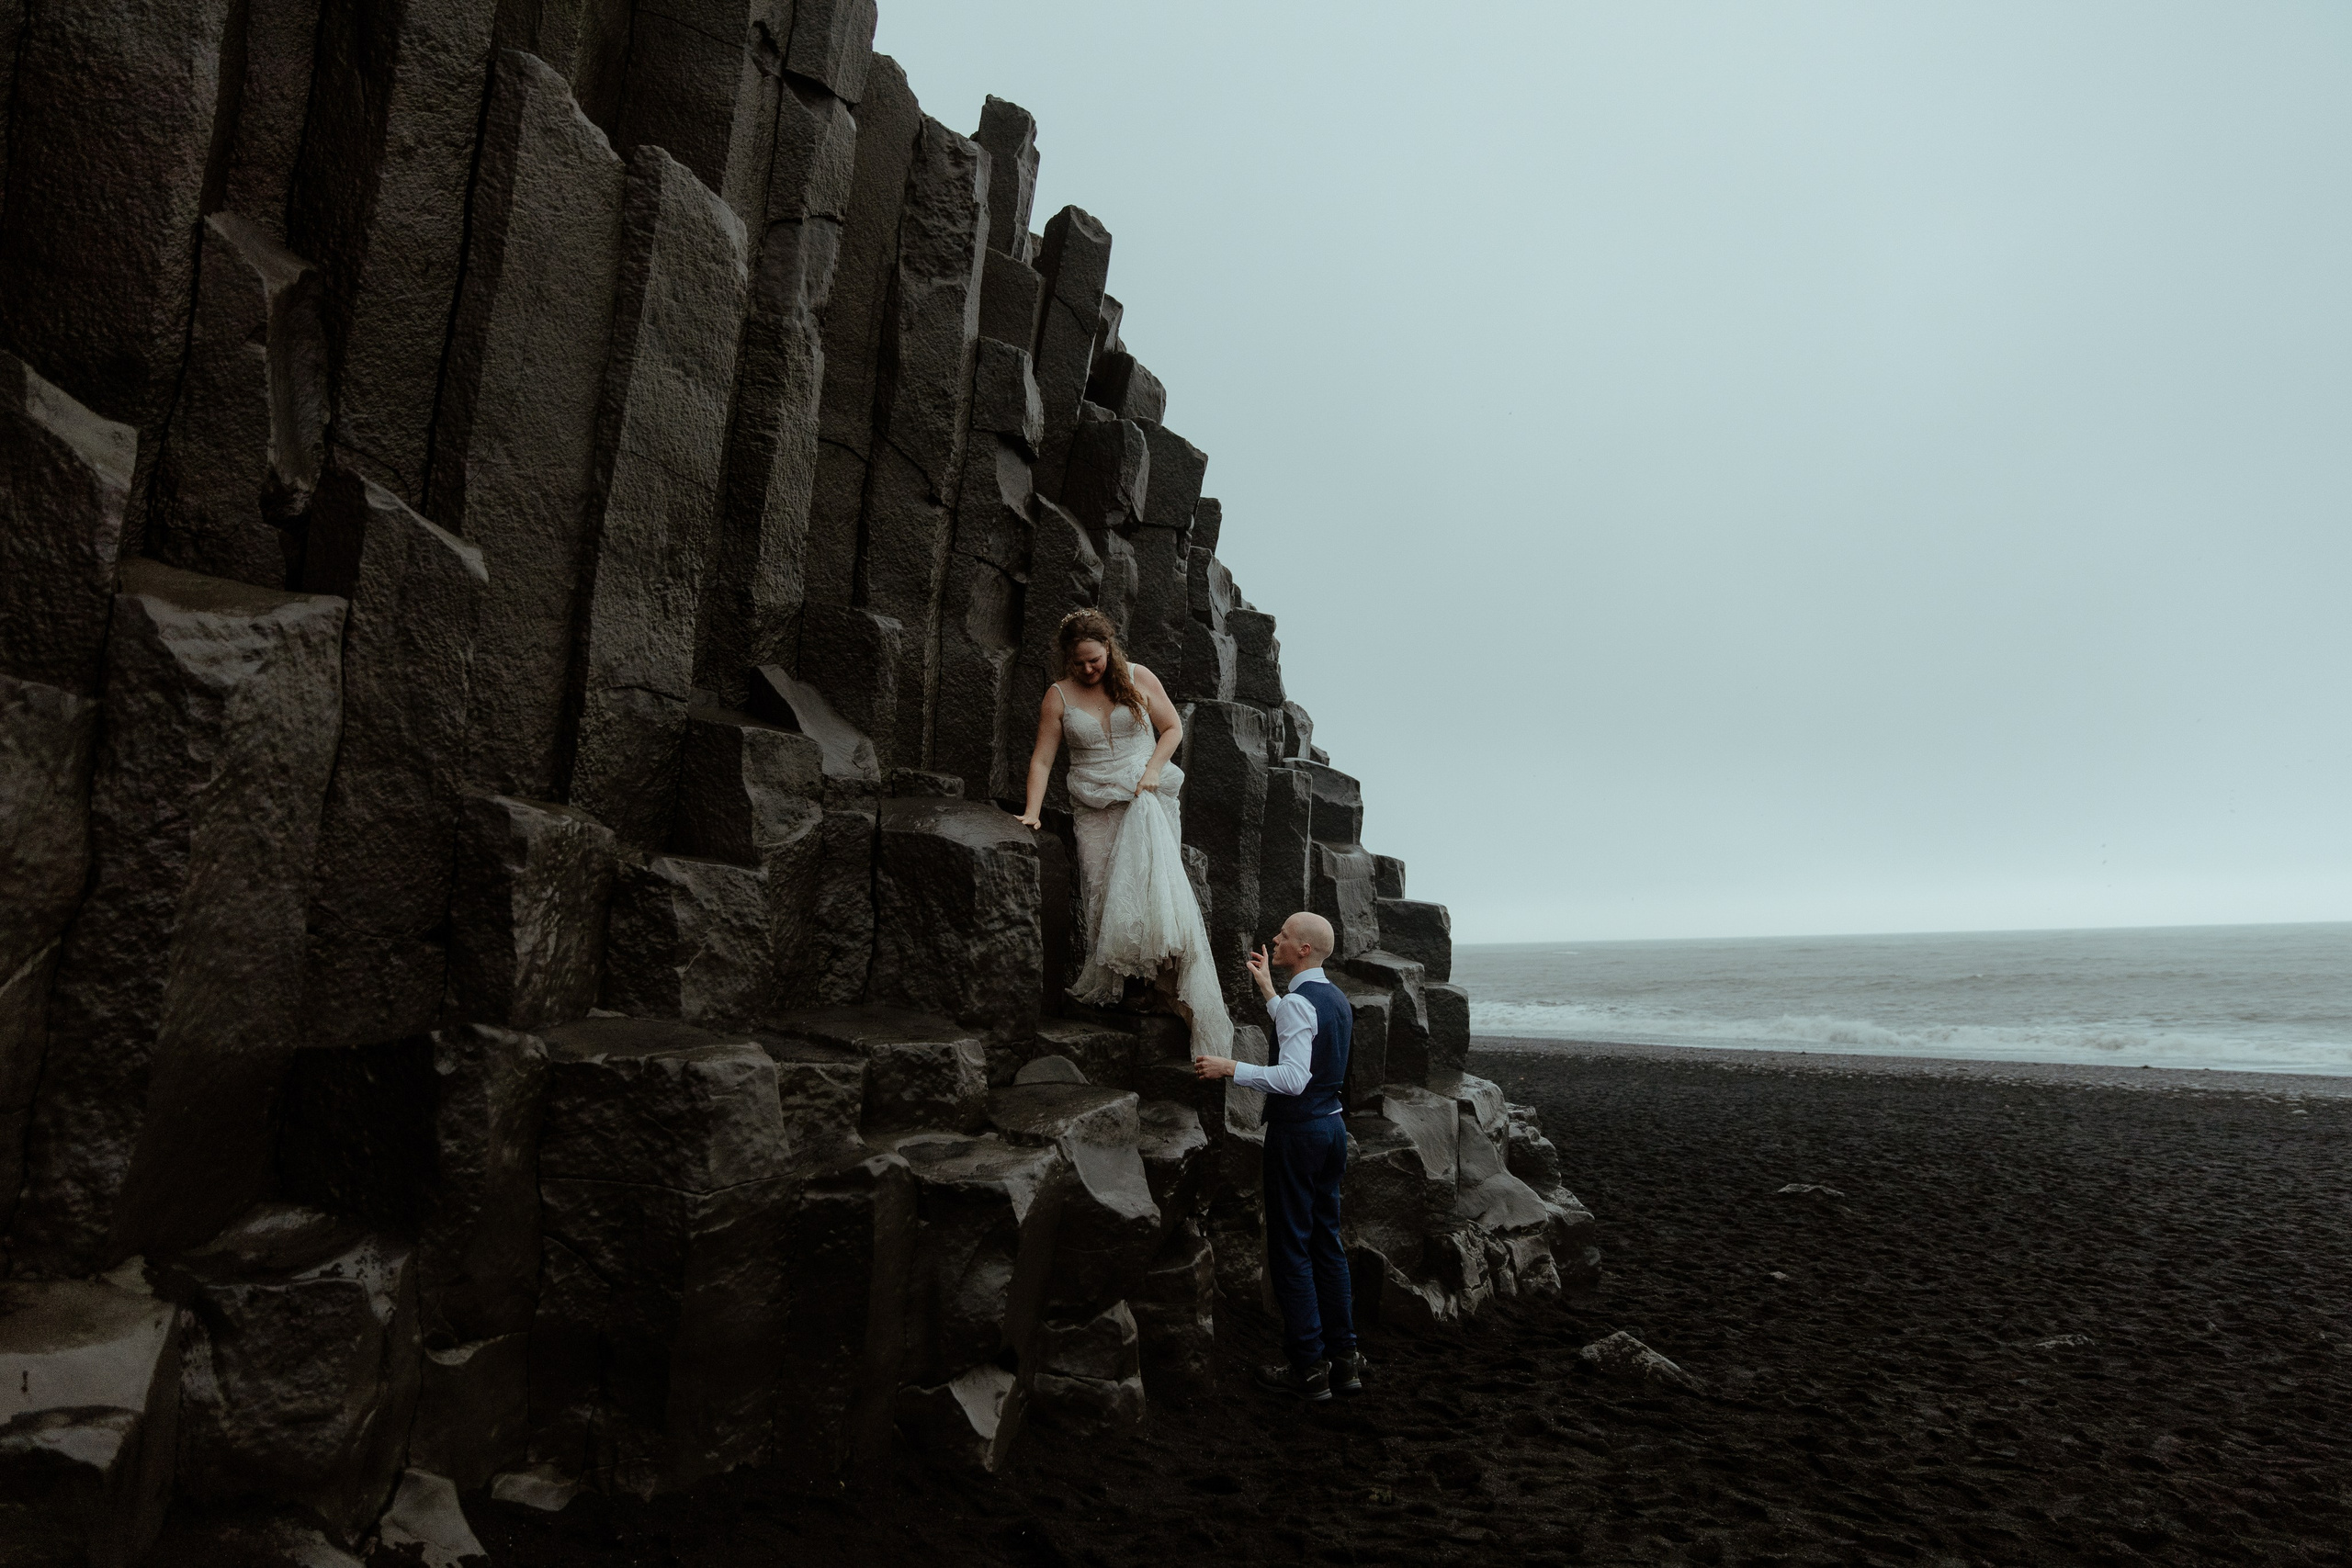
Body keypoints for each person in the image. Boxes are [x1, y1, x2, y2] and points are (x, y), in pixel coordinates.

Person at [1015, 608, 1232, 1055]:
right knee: (1104, 891)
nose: (1089, 669)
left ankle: (1156, 984)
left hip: (1144, 795)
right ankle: (1125, 986)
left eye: (1095, 659)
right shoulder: (1058, 696)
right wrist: (1032, 812)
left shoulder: (1137, 677)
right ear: (1067, 660)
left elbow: (1171, 728)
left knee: (1150, 889)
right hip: (1094, 805)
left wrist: (1154, 769)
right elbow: (1042, 758)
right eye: (1079, 663)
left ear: (1108, 649)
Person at [1193, 910, 1366, 1401]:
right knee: (1326, 1243)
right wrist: (1270, 991)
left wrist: (1233, 1067)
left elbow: (1293, 1078)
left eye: (1285, 936)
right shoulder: (1332, 999)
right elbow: (1301, 1031)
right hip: (1332, 1130)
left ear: (1304, 950)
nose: (1276, 939)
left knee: (1291, 1247)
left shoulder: (1299, 1004)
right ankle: (1345, 1361)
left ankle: (1309, 1367)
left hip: (1299, 1135)